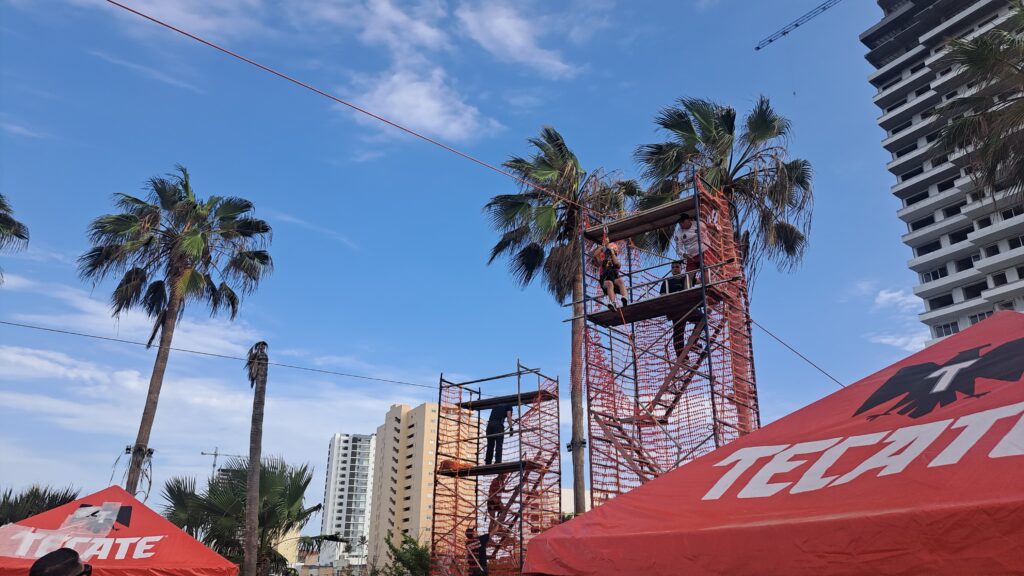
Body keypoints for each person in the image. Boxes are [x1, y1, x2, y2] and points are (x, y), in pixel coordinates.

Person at [593, 238, 629, 309]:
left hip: (614, 279)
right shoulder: (602, 262)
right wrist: (604, 246)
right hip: (605, 281)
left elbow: (616, 263)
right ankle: (613, 303)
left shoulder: (616, 263)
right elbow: (595, 255)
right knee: (609, 283)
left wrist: (612, 251)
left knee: (620, 281)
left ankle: (625, 297)